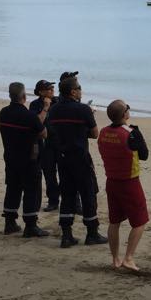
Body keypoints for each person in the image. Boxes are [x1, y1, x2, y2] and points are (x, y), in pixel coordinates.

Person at [47, 75, 107, 248]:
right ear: (73, 91)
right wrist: (82, 130)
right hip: (80, 157)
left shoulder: (54, 109)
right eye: (79, 88)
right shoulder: (83, 110)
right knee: (88, 194)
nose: (81, 91)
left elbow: (53, 130)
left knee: (67, 195)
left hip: (63, 157)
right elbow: (95, 133)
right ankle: (92, 233)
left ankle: (66, 234)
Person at [97, 99, 150, 271]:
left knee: (115, 221)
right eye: (127, 108)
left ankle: (115, 259)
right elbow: (144, 155)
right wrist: (137, 136)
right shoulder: (130, 133)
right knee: (140, 221)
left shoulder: (104, 132)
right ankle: (128, 257)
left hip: (112, 180)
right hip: (129, 181)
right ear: (124, 114)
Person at [0, 82, 49, 238]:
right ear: (24, 97)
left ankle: (10, 222)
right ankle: (31, 225)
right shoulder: (28, 116)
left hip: (11, 156)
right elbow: (43, 132)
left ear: (10, 96)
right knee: (31, 190)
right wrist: (45, 109)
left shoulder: (3, 113)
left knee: (12, 188)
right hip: (28, 158)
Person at [28, 79, 59, 211]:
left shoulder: (58, 101)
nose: (52, 91)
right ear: (40, 92)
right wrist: (46, 107)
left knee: (66, 172)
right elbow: (37, 123)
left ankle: (75, 202)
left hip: (59, 141)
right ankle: (53, 201)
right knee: (49, 173)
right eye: (48, 89)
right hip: (45, 143)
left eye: (52, 88)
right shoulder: (35, 105)